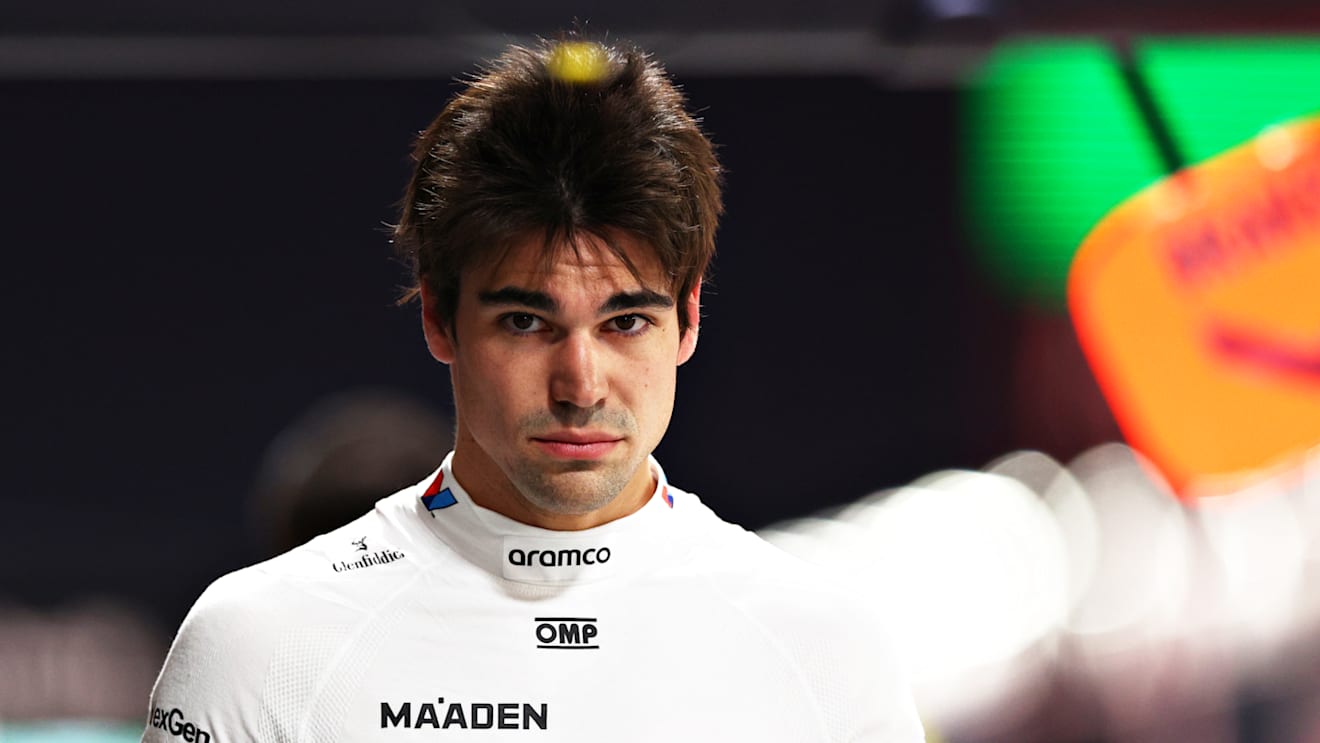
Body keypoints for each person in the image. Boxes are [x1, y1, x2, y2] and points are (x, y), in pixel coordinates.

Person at [143, 37, 924, 742]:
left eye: (625, 322)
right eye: (526, 321)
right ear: (440, 318)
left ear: (687, 322)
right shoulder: (260, 643)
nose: (580, 385)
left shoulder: (826, 649)